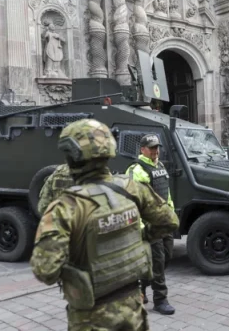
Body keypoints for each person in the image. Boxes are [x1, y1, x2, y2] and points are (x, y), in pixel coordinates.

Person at [30, 119, 179, 331]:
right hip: (132, 311)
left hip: (91, 317)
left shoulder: (65, 207)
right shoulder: (130, 188)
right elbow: (169, 220)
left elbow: (45, 269)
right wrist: (142, 240)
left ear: (72, 154)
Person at [126, 134, 176, 315]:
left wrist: (171, 214)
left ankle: (140, 287)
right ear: (142, 149)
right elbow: (132, 201)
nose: (156, 151)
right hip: (149, 225)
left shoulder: (160, 166)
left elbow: (165, 193)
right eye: (152, 147)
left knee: (167, 256)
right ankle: (160, 300)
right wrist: (139, 227)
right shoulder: (136, 170)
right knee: (157, 261)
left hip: (164, 221)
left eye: (157, 147)